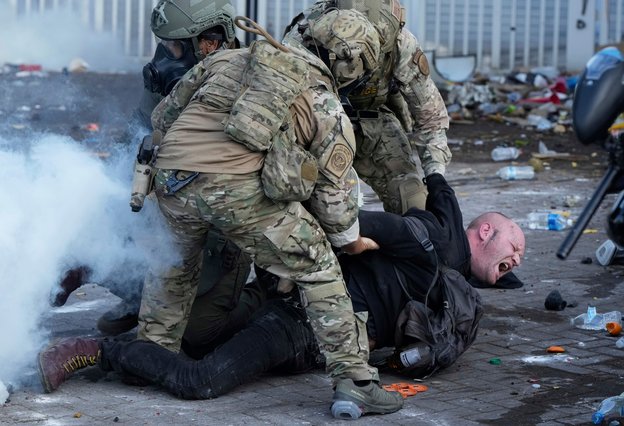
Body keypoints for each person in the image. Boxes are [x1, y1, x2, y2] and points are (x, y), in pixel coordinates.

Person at [96, 9, 399, 417]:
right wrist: (350, 240)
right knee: (318, 267)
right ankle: (356, 381)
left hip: (170, 182)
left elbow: (163, 117)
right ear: (350, 64)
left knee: (174, 267)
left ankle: (149, 356)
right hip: (234, 192)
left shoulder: (229, 58)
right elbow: (335, 201)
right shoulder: (327, 106)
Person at [38, 172, 525, 419]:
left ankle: (110, 315)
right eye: (514, 245)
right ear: (483, 232)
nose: (519, 259)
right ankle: (93, 344)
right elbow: (349, 230)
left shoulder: (456, 298)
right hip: (294, 320)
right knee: (201, 379)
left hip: (300, 336)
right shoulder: (424, 246)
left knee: (190, 335)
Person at [50, 0, 257, 341]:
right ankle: (140, 297)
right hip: (173, 204)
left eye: (175, 46)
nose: (165, 56)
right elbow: (136, 136)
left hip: (224, 222)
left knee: (197, 336)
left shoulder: (255, 83)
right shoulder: (168, 77)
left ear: (211, 41)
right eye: (164, 43)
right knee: (96, 231)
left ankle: (269, 301)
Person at [283, 0, 452, 214]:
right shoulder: (308, 36)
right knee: (296, 199)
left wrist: (436, 176)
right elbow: (282, 105)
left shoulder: (400, 44)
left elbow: (431, 117)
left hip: (371, 122)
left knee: (412, 201)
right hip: (314, 127)